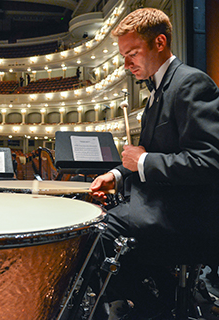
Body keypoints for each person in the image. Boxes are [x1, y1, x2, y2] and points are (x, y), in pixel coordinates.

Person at [89, 7, 219, 318]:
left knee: (93, 237)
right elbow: (146, 155)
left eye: (132, 53)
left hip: (184, 215)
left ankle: (156, 307)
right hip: (158, 204)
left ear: (159, 42)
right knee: (90, 226)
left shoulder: (191, 84)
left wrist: (144, 161)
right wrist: (116, 175)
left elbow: (209, 161)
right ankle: (155, 293)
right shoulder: (156, 92)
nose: (126, 63)